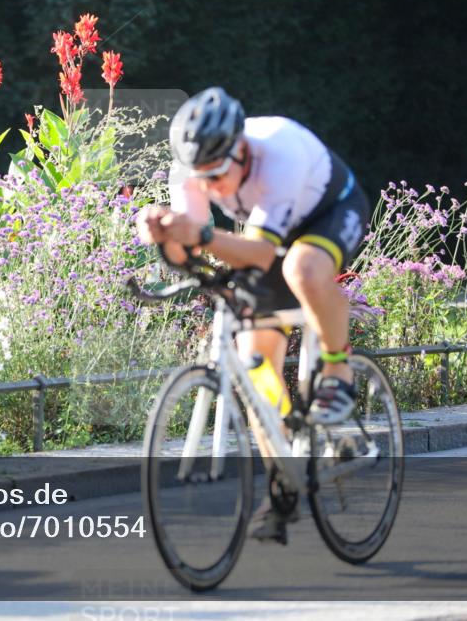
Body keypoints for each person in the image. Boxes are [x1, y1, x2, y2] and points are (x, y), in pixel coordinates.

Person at [135, 87, 370, 542]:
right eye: (202, 178)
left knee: (302, 268)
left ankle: (338, 374)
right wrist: (161, 230)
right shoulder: (193, 171)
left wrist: (198, 232)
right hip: (268, 231)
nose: (212, 186)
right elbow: (193, 242)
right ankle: (284, 478)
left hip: (330, 210)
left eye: (219, 174)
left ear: (241, 149)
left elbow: (260, 252)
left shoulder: (276, 152)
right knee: (255, 365)